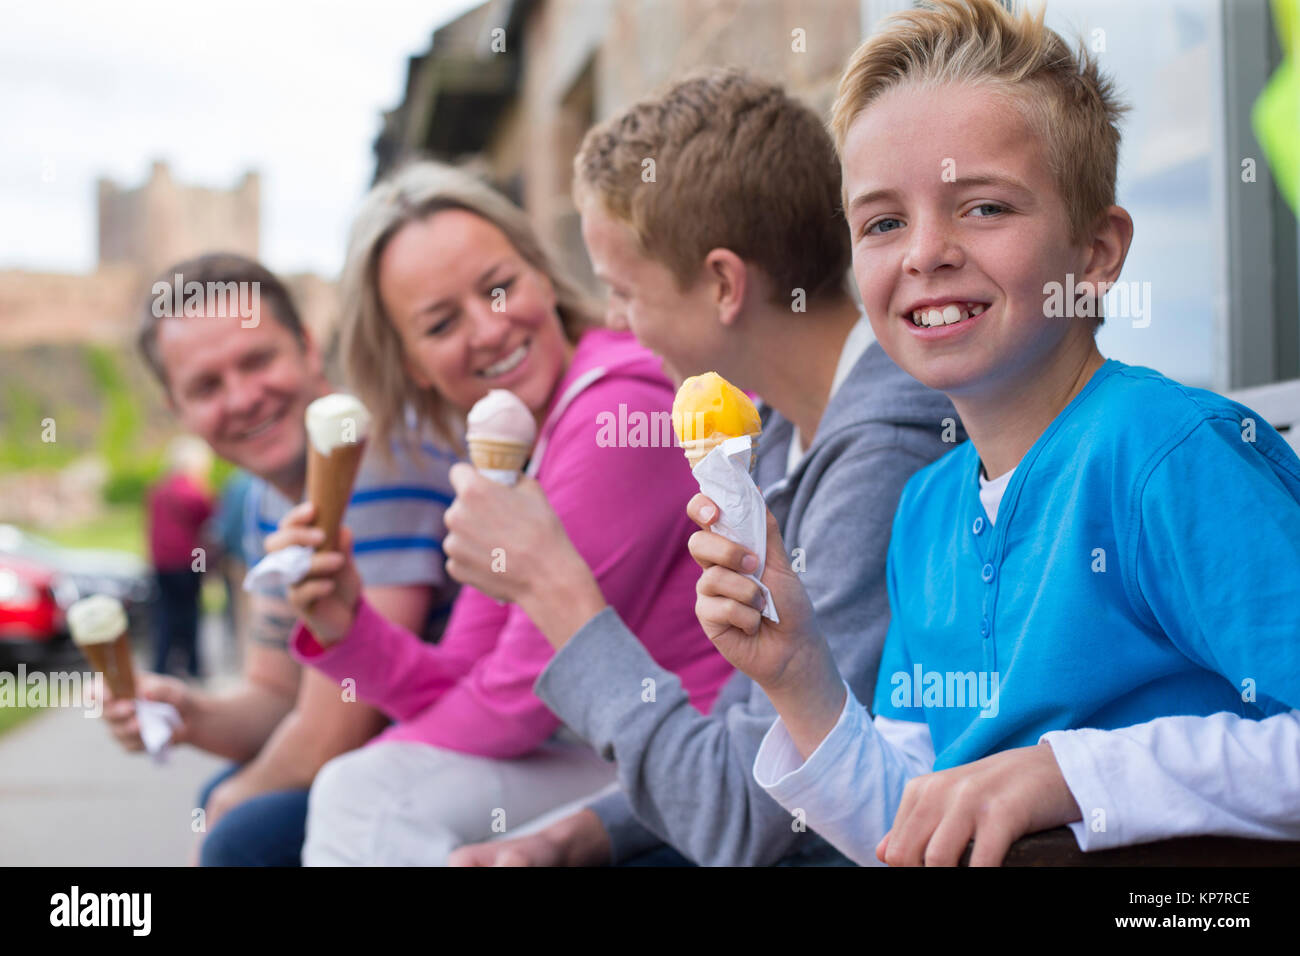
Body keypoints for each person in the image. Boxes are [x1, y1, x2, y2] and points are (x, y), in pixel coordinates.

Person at [689, 0, 1300, 867]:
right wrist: (801, 676)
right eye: (883, 222)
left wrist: (1068, 773)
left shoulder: (1166, 452)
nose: (924, 253)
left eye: (982, 208)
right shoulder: (926, 509)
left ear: (1095, 254)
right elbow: (907, 826)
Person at [443, 68, 961, 868]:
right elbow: (747, 743)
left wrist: (553, 586)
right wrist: (583, 833)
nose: (614, 321)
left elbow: (744, 821)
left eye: (623, 291)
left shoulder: (887, 456)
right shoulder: (788, 433)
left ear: (723, 283)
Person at [268, 161, 735, 865]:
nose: (489, 328)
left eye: (501, 286)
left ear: (544, 276)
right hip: (602, 751)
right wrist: (346, 625)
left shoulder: (613, 415)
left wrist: (373, 778)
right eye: (440, 323)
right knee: (346, 802)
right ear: (415, 364)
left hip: (699, 748)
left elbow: (514, 707)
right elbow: (463, 673)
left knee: (362, 798)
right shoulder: (521, 446)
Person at [105, 252, 458, 866]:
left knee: (242, 830)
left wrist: (231, 805)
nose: (243, 398)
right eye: (207, 386)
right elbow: (274, 699)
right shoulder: (265, 497)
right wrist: (189, 713)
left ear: (307, 348)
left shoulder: (375, 464)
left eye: (258, 360)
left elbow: (339, 723)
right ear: (177, 409)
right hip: (401, 756)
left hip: (490, 750)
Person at [146, 436, 214, 678]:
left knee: (165, 614)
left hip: (161, 562)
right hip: (187, 562)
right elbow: (209, 520)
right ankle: (193, 665)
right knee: (190, 614)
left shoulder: (159, 489)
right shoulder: (193, 491)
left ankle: (162, 664)